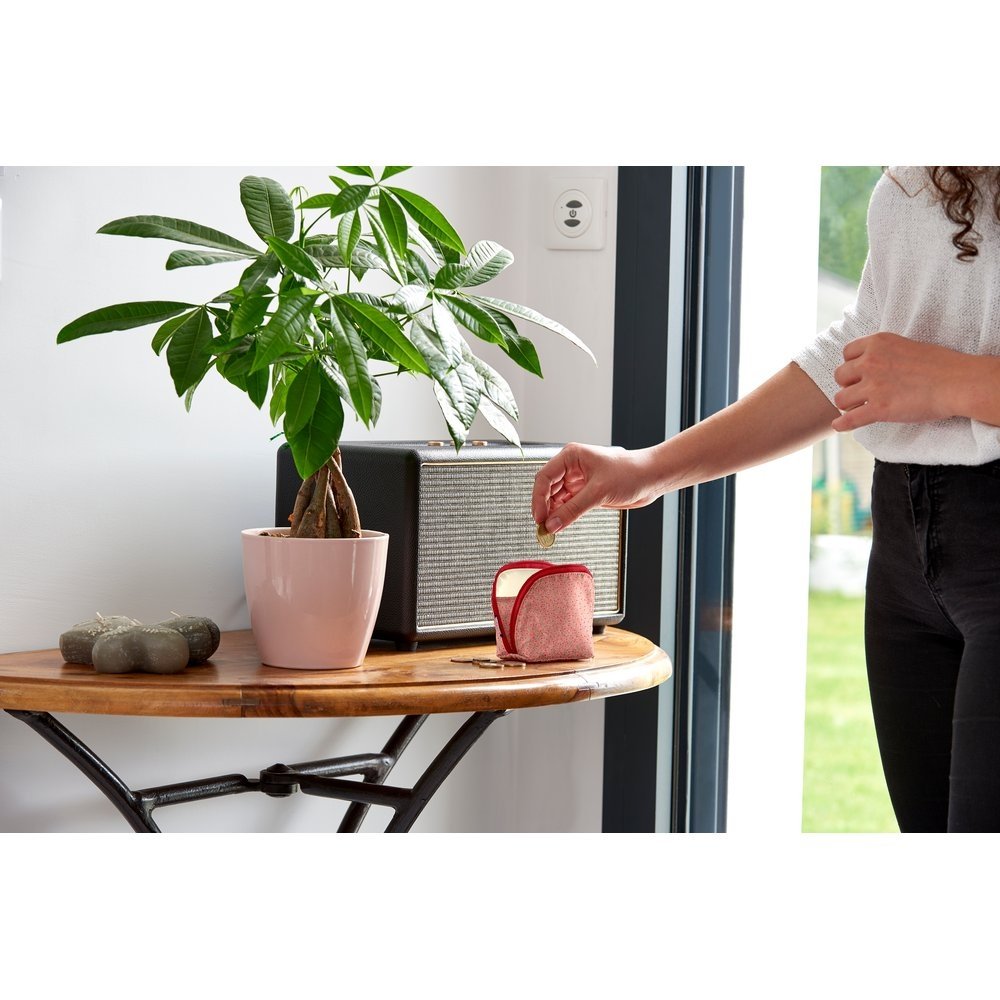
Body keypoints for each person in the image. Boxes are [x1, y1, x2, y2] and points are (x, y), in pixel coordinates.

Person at [531, 166, 1000, 833]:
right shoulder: (922, 169)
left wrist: (956, 383)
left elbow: (921, 369)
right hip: (903, 540)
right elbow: (856, 348)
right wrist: (651, 467)